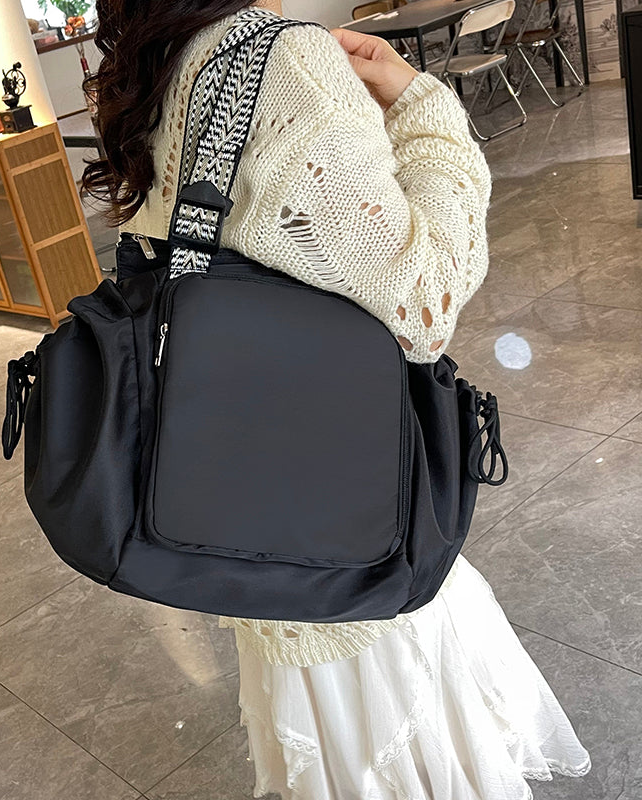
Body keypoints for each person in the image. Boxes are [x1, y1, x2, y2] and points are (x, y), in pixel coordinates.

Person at [83, 1, 592, 796]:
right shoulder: (287, 60)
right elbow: (423, 303)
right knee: (399, 737)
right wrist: (421, 108)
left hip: (240, 499)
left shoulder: (163, 56)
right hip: (345, 513)